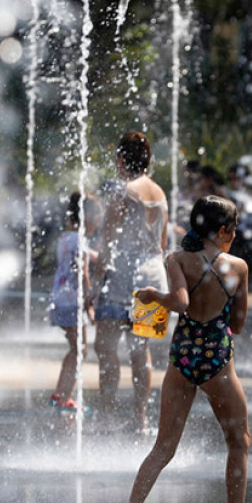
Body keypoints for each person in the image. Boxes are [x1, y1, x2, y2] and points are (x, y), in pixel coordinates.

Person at [115, 195, 252, 503]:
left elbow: (180, 304)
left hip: (182, 357)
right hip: (217, 360)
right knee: (239, 441)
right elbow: (239, 324)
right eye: (234, 229)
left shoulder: (176, 259)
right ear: (224, 230)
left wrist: (154, 296)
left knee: (164, 446)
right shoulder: (237, 267)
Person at [90, 132, 168, 431]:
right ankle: (140, 417)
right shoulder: (159, 193)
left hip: (123, 276)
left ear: (122, 160)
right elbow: (161, 243)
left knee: (105, 346)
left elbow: (108, 243)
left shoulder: (124, 193)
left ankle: (106, 415)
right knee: (141, 349)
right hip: (153, 275)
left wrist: (95, 286)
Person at [47, 191, 94, 411]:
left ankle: (60, 394)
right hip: (72, 300)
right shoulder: (81, 241)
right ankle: (64, 397)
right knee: (80, 349)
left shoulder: (66, 237)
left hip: (59, 299)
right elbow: (82, 273)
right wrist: (89, 302)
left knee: (76, 348)